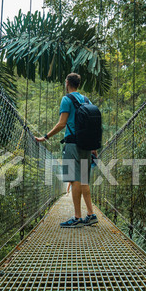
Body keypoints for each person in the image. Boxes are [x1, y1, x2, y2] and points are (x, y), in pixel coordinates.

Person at [35, 73, 98, 228]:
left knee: (74, 179)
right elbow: (91, 126)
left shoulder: (66, 99)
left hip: (72, 144)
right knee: (83, 179)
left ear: (67, 82)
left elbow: (62, 124)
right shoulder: (86, 100)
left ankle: (77, 217)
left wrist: (45, 137)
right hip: (87, 145)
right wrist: (93, 147)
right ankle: (90, 215)